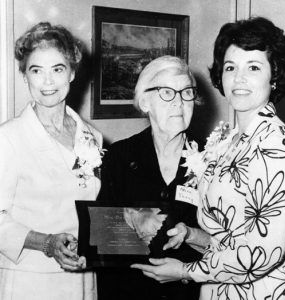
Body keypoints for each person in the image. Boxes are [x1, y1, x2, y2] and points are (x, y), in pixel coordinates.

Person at [131, 17, 285, 300]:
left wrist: (186, 270)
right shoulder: (232, 141)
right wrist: (190, 235)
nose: (239, 78)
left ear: (275, 76)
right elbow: (228, 240)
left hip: (262, 292)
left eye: (254, 67)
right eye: (231, 67)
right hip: (220, 289)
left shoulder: (277, 145)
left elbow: (264, 253)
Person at [0, 22, 104, 299]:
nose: (48, 82)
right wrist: (47, 243)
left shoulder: (92, 137)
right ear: (25, 76)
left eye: (57, 69)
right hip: (31, 281)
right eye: (37, 70)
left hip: (81, 276)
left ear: (71, 73)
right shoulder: (8, 138)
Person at [98, 55, 204, 300]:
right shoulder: (120, 156)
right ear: (145, 101)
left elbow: (225, 243)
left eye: (186, 92)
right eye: (167, 92)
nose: (179, 102)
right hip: (130, 292)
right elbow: (105, 244)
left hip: (191, 293)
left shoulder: (212, 157)